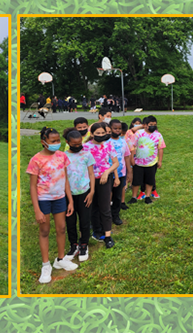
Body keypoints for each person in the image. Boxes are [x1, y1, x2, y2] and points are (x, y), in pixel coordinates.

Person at [27, 127, 77, 284]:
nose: (57, 143)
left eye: (58, 140)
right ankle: (46, 265)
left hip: (60, 198)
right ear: (44, 142)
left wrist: (70, 200)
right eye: (53, 141)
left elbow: (65, 179)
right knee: (44, 231)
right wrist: (37, 209)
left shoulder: (62, 156)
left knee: (61, 229)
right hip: (43, 200)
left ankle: (60, 259)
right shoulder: (36, 160)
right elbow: (33, 186)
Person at [83, 122, 119, 248]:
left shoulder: (108, 145)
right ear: (92, 134)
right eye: (97, 133)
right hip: (89, 180)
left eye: (103, 133)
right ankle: (97, 230)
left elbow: (115, 163)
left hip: (104, 179)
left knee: (105, 207)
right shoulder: (85, 147)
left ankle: (107, 235)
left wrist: (107, 172)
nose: (100, 135)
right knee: (93, 206)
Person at [63, 128, 95, 262]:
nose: (77, 146)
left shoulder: (87, 155)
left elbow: (91, 174)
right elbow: (64, 177)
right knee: (70, 221)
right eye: (74, 144)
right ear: (67, 142)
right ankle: (73, 245)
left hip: (84, 192)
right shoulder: (63, 156)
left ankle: (83, 244)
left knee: (84, 220)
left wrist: (92, 191)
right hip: (68, 194)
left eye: (79, 143)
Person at [128, 115, 165, 204]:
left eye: (155, 124)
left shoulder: (158, 135)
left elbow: (160, 148)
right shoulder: (139, 133)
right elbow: (132, 145)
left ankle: (148, 196)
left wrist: (160, 161)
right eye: (151, 124)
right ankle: (134, 197)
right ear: (145, 125)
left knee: (150, 180)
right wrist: (132, 158)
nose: (153, 126)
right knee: (136, 181)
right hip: (138, 162)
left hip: (152, 163)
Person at [108, 119, 131, 225]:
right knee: (106, 196)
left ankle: (115, 215)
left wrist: (129, 171)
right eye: (115, 128)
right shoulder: (105, 141)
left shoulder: (123, 141)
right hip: (107, 174)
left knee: (117, 196)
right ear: (109, 128)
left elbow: (126, 156)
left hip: (121, 173)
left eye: (119, 128)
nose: (117, 131)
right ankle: (104, 215)